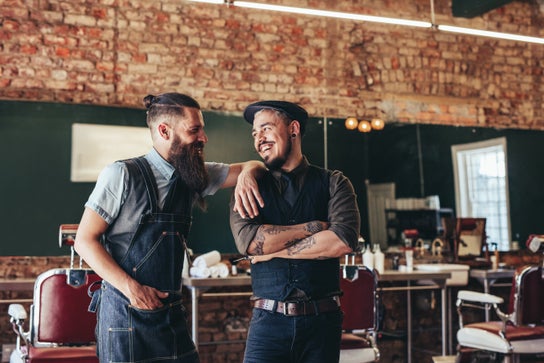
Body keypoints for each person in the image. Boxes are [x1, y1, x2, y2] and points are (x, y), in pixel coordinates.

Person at [74, 92, 264, 363]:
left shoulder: (193, 176)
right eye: (194, 130)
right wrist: (133, 289)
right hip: (125, 316)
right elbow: (85, 240)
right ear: (164, 130)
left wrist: (247, 174)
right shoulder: (121, 174)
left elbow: (253, 164)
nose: (203, 138)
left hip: (170, 315)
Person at [229, 100, 361, 363]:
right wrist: (314, 229)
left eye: (266, 129)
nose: (259, 139)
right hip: (267, 323)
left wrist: (271, 253)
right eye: (255, 133)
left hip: (322, 324)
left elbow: (342, 240)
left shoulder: (334, 183)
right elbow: (251, 244)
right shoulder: (247, 188)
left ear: (294, 129)